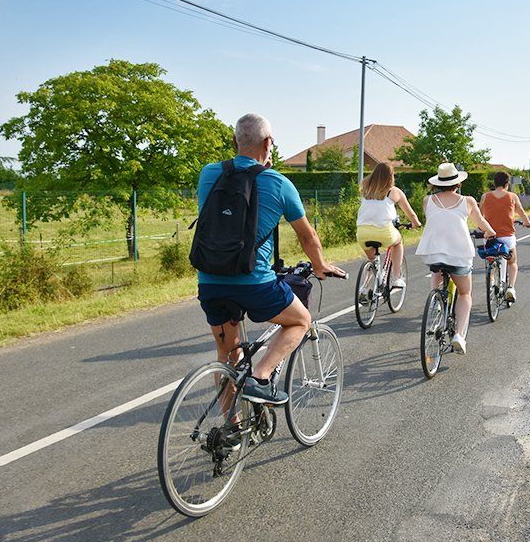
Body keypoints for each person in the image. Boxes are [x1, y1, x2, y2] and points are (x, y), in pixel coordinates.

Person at [196, 113, 345, 405]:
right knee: (300, 320)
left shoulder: (209, 174)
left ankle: (232, 428)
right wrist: (319, 265)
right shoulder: (277, 182)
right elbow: (307, 236)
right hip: (254, 283)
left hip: (210, 280)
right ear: (268, 143)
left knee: (227, 354)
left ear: (234, 141)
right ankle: (261, 378)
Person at [415, 162, 496, 355]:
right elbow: (480, 222)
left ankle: (436, 307)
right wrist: (490, 232)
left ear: (437, 184)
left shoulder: (427, 200)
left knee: (438, 274)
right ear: (458, 184)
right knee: (465, 293)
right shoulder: (467, 201)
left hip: (433, 253)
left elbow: (437, 221)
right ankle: (459, 335)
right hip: (458, 254)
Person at [355, 163, 422, 300]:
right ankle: (397, 277)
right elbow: (411, 214)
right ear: (390, 177)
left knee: (371, 259)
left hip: (362, 232)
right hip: (384, 231)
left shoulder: (365, 190)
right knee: (398, 243)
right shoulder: (394, 192)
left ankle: (364, 287)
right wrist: (416, 224)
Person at [479, 171, 530, 303]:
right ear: (507, 183)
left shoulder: (485, 197)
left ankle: (492, 283)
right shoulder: (512, 197)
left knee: (491, 261)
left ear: (494, 183)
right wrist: (527, 223)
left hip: (489, 236)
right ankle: (510, 288)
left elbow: (480, 216)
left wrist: (482, 228)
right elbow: (521, 212)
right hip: (507, 237)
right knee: (512, 262)